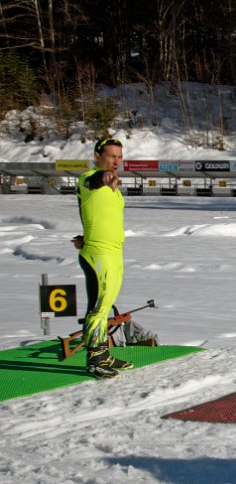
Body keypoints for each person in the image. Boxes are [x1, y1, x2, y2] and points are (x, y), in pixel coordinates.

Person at [74, 137, 133, 378]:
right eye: (111, 156)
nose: (116, 161)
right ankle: (95, 359)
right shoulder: (88, 180)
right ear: (98, 157)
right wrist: (104, 177)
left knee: (105, 306)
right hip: (98, 254)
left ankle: (104, 354)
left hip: (114, 252)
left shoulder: (115, 189)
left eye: (119, 156)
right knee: (97, 309)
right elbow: (95, 181)